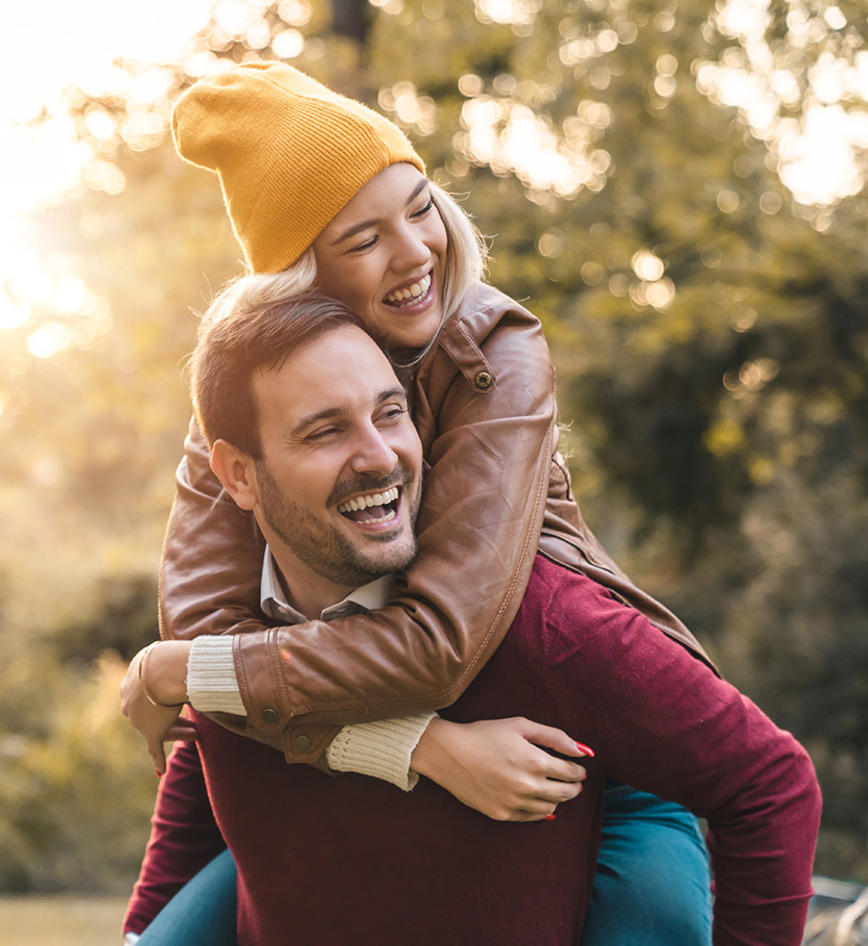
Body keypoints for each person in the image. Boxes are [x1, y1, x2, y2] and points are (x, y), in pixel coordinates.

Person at [118, 61, 751, 943]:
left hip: (572, 729)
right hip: (351, 720)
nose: (417, 252)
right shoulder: (247, 399)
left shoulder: (493, 348)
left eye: (419, 207)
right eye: (362, 239)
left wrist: (170, 671)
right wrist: (420, 747)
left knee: (657, 918)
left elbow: (438, 644)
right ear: (302, 278)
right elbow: (220, 643)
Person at [127, 292, 819, 944]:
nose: (378, 457)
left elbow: (769, 784)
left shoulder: (545, 624)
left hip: (615, 815)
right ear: (239, 476)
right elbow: (213, 776)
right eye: (324, 431)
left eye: (390, 413)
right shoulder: (224, 637)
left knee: (656, 904)